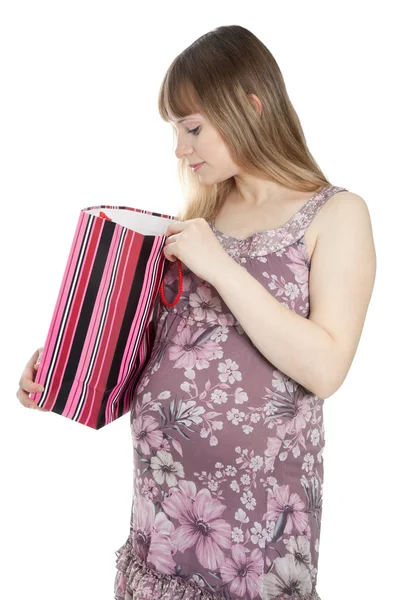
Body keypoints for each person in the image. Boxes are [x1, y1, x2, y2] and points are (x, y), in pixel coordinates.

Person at [17, 25, 376, 600]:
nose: (181, 149)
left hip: (256, 541)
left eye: (192, 128)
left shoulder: (336, 215)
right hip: (159, 525)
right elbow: (147, 353)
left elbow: (327, 366)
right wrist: (62, 367)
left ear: (250, 108)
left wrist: (222, 267)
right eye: (176, 131)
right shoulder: (198, 219)